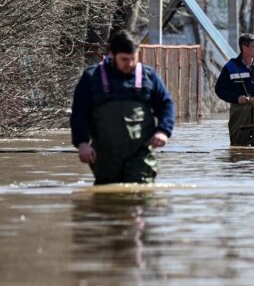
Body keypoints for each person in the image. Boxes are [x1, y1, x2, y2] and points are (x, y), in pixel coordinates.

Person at [70, 31, 175, 185]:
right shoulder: (92, 77)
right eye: (124, 60)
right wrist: (82, 143)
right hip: (105, 156)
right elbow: (79, 113)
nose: (130, 64)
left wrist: (163, 131)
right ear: (112, 55)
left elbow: (166, 104)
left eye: (133, 59)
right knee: (107, 198)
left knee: (140, 194)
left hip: (140, 154)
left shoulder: (148, 76)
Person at [214, 33, 254, 146]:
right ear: (244, 47)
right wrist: (237, 98)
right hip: (240, 115)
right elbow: (219, 89)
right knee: (239, 147)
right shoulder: (230, 67)